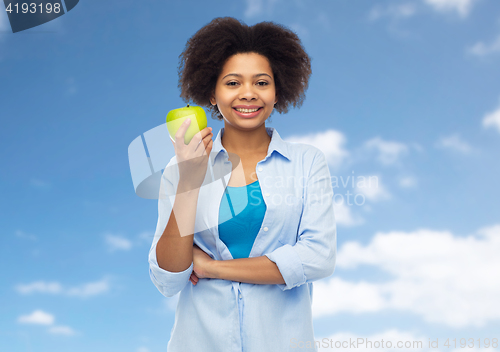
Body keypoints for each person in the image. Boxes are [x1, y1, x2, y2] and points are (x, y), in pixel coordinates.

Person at [149, 17, 336, 352]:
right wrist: (189, 180)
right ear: (212, 91)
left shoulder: (307, 163)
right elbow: (168, 278)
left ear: (278, 91)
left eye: (261, 82)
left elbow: (318, 258)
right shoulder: (180, 169)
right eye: (233, 83)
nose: (248, 94)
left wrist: (213, 268)